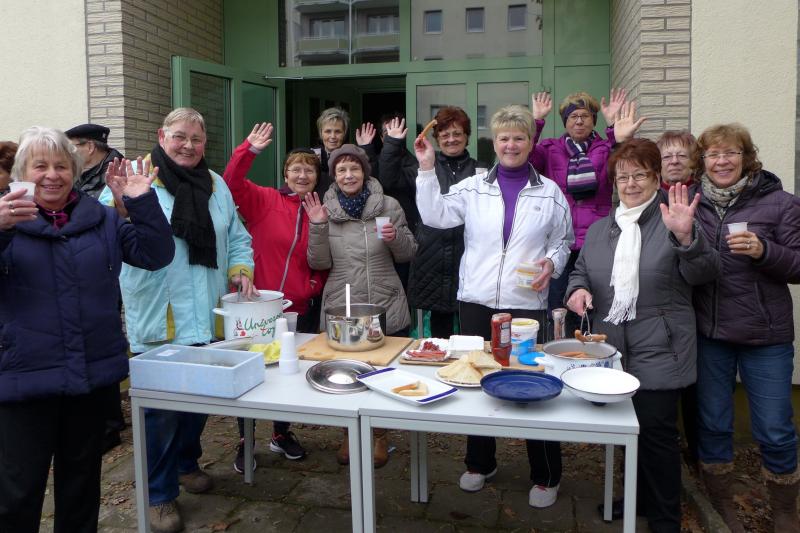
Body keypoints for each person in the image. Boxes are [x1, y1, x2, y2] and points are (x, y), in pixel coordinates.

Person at [0, 126, 174, 532]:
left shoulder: (103, 219)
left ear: (75, 171)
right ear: (22, 173)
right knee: (17, 494)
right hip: (25, 377)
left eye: (62, 165)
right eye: (40, 166)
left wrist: (141, 202)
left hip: (90, 377)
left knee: (80, 489)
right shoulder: (7, 222)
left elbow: (156, 254)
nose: (52, 175)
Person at [99, 107, 256, 533]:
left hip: (206, 312)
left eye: (196, 139)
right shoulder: (134, 177)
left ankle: (187, 464)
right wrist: (121, 207)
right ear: (161, 136)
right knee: (161, 414)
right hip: (161, 314)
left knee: (199, 403)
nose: (188, 145)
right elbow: (104, 234)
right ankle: (159, 495)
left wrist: (240, 269)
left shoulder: (216, 184)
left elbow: (238, 237)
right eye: (180, 136)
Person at [413, 104, 573, 507]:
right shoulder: (473, 187)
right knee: (476, 380)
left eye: (519, 138)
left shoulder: (550, 192)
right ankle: (480, 463)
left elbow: (563, 240)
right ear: (494, 142)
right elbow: (435, 215)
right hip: (476, 302)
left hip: (526, 304)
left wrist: (551, 264)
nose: (511, 145)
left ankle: (546, 474)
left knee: (533, 382)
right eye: (504, 138)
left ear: (530, 142)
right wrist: (427, 168)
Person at [565, 138, 719, 532]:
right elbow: (582, 272)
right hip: (612, 349)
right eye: (623, 177)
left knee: (656, 436)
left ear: (655, 178)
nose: (631, 184)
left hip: (661, 347)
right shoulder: (600, 229)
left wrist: (686, 239)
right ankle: (637, 497)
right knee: (625, 431)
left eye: (640, 176)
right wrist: (577, 291)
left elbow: (704, 273)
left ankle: (665, 518)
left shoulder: (674, 220)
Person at [692, 123, 800, 533]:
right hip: (711, 334)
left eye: (731, 153)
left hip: (765, 336)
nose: (722, 161)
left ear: (747, 157)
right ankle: (722, 502)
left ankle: (785, 508)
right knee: (714, 423)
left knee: (774, 428)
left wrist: (764, 250)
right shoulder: (693, 202)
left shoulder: (781, 203)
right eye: (713, 154)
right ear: (703, 161)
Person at [222, 122, 327, 472]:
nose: (302, 175)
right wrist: (248, 150)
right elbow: (231, 184)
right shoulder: (265, 199)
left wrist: (311, 287)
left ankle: (280, 433)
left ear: (316, 176)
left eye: (309, 170)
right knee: (250, 372)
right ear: (285, 174)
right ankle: (245, 439)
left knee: (288, 372)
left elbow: (324, 259)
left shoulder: (320, 211)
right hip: (255, 305)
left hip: (297, 307)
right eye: (295, 169)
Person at [304, 143, 416, 468]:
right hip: (343, 302)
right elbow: (319, 262)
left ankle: (379, 434)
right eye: (341, 170)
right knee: (344, 373)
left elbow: (408, 253)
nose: (349, 175)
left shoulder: (388, 205)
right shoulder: (324, 209)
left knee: (383, 372)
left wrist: (395, 238)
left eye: (354, 168)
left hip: (385, 299)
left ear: (365, 173)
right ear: (334, 176)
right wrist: (317, 226)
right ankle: (349, 433)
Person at [528, 89, 643, 335]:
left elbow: (623, 162)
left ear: (593, 120)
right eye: (573, 116)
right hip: (560, 240)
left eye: (585, 116)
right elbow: (527, 157)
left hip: (597, 239)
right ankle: (557, 346)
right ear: (565, 122)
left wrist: (615, 134)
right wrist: (536, 122)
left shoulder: (605, 147)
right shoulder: (550, 148)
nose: (579, 121)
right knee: (557, 303)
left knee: (593, 301)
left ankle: (591, 347)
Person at [380, 107, 485, 337]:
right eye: (445, 135)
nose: (451, 139)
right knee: (440, 337)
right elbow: (388, 180)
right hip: (432, 259)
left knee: (473, 332)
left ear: (467, 136)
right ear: (436, 139)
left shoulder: (482, 171)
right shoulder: (423, 167)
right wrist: (393, 144)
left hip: (470, 259)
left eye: (457, 133)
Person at [655, 129, 702, 471]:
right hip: (662, 308)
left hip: (702, 302)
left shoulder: (705, 199)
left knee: (699, 390)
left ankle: (699, 458)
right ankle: (665, 456)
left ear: (694, 163)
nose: (673, 161)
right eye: (666, 156)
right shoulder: (648, 198)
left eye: (681, 155)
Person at [65, 123, 124, 198]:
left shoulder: (117, 177)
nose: (67, 153)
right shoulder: (78, 173)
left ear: (90, 147)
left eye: (71, 148)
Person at [312, 107, 349, 195]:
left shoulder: (352, 157)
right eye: (328, 131)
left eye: (338, 132)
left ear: (344, 133)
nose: (333, 136)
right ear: (321, 133)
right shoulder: (311, 156)